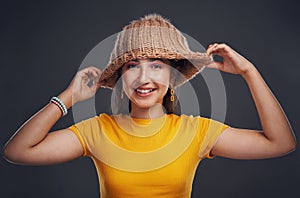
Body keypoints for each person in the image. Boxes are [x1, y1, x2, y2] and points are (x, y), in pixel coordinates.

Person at [3, 14, 296, 197]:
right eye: (132, 66)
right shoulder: (99, 130)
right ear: (121, 76)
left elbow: (281, 143)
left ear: (172, 75)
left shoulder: (195, 131)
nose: (144, 78)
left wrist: (249, 72)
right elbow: (17, 151)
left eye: (156, 66)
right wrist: (67, 97)